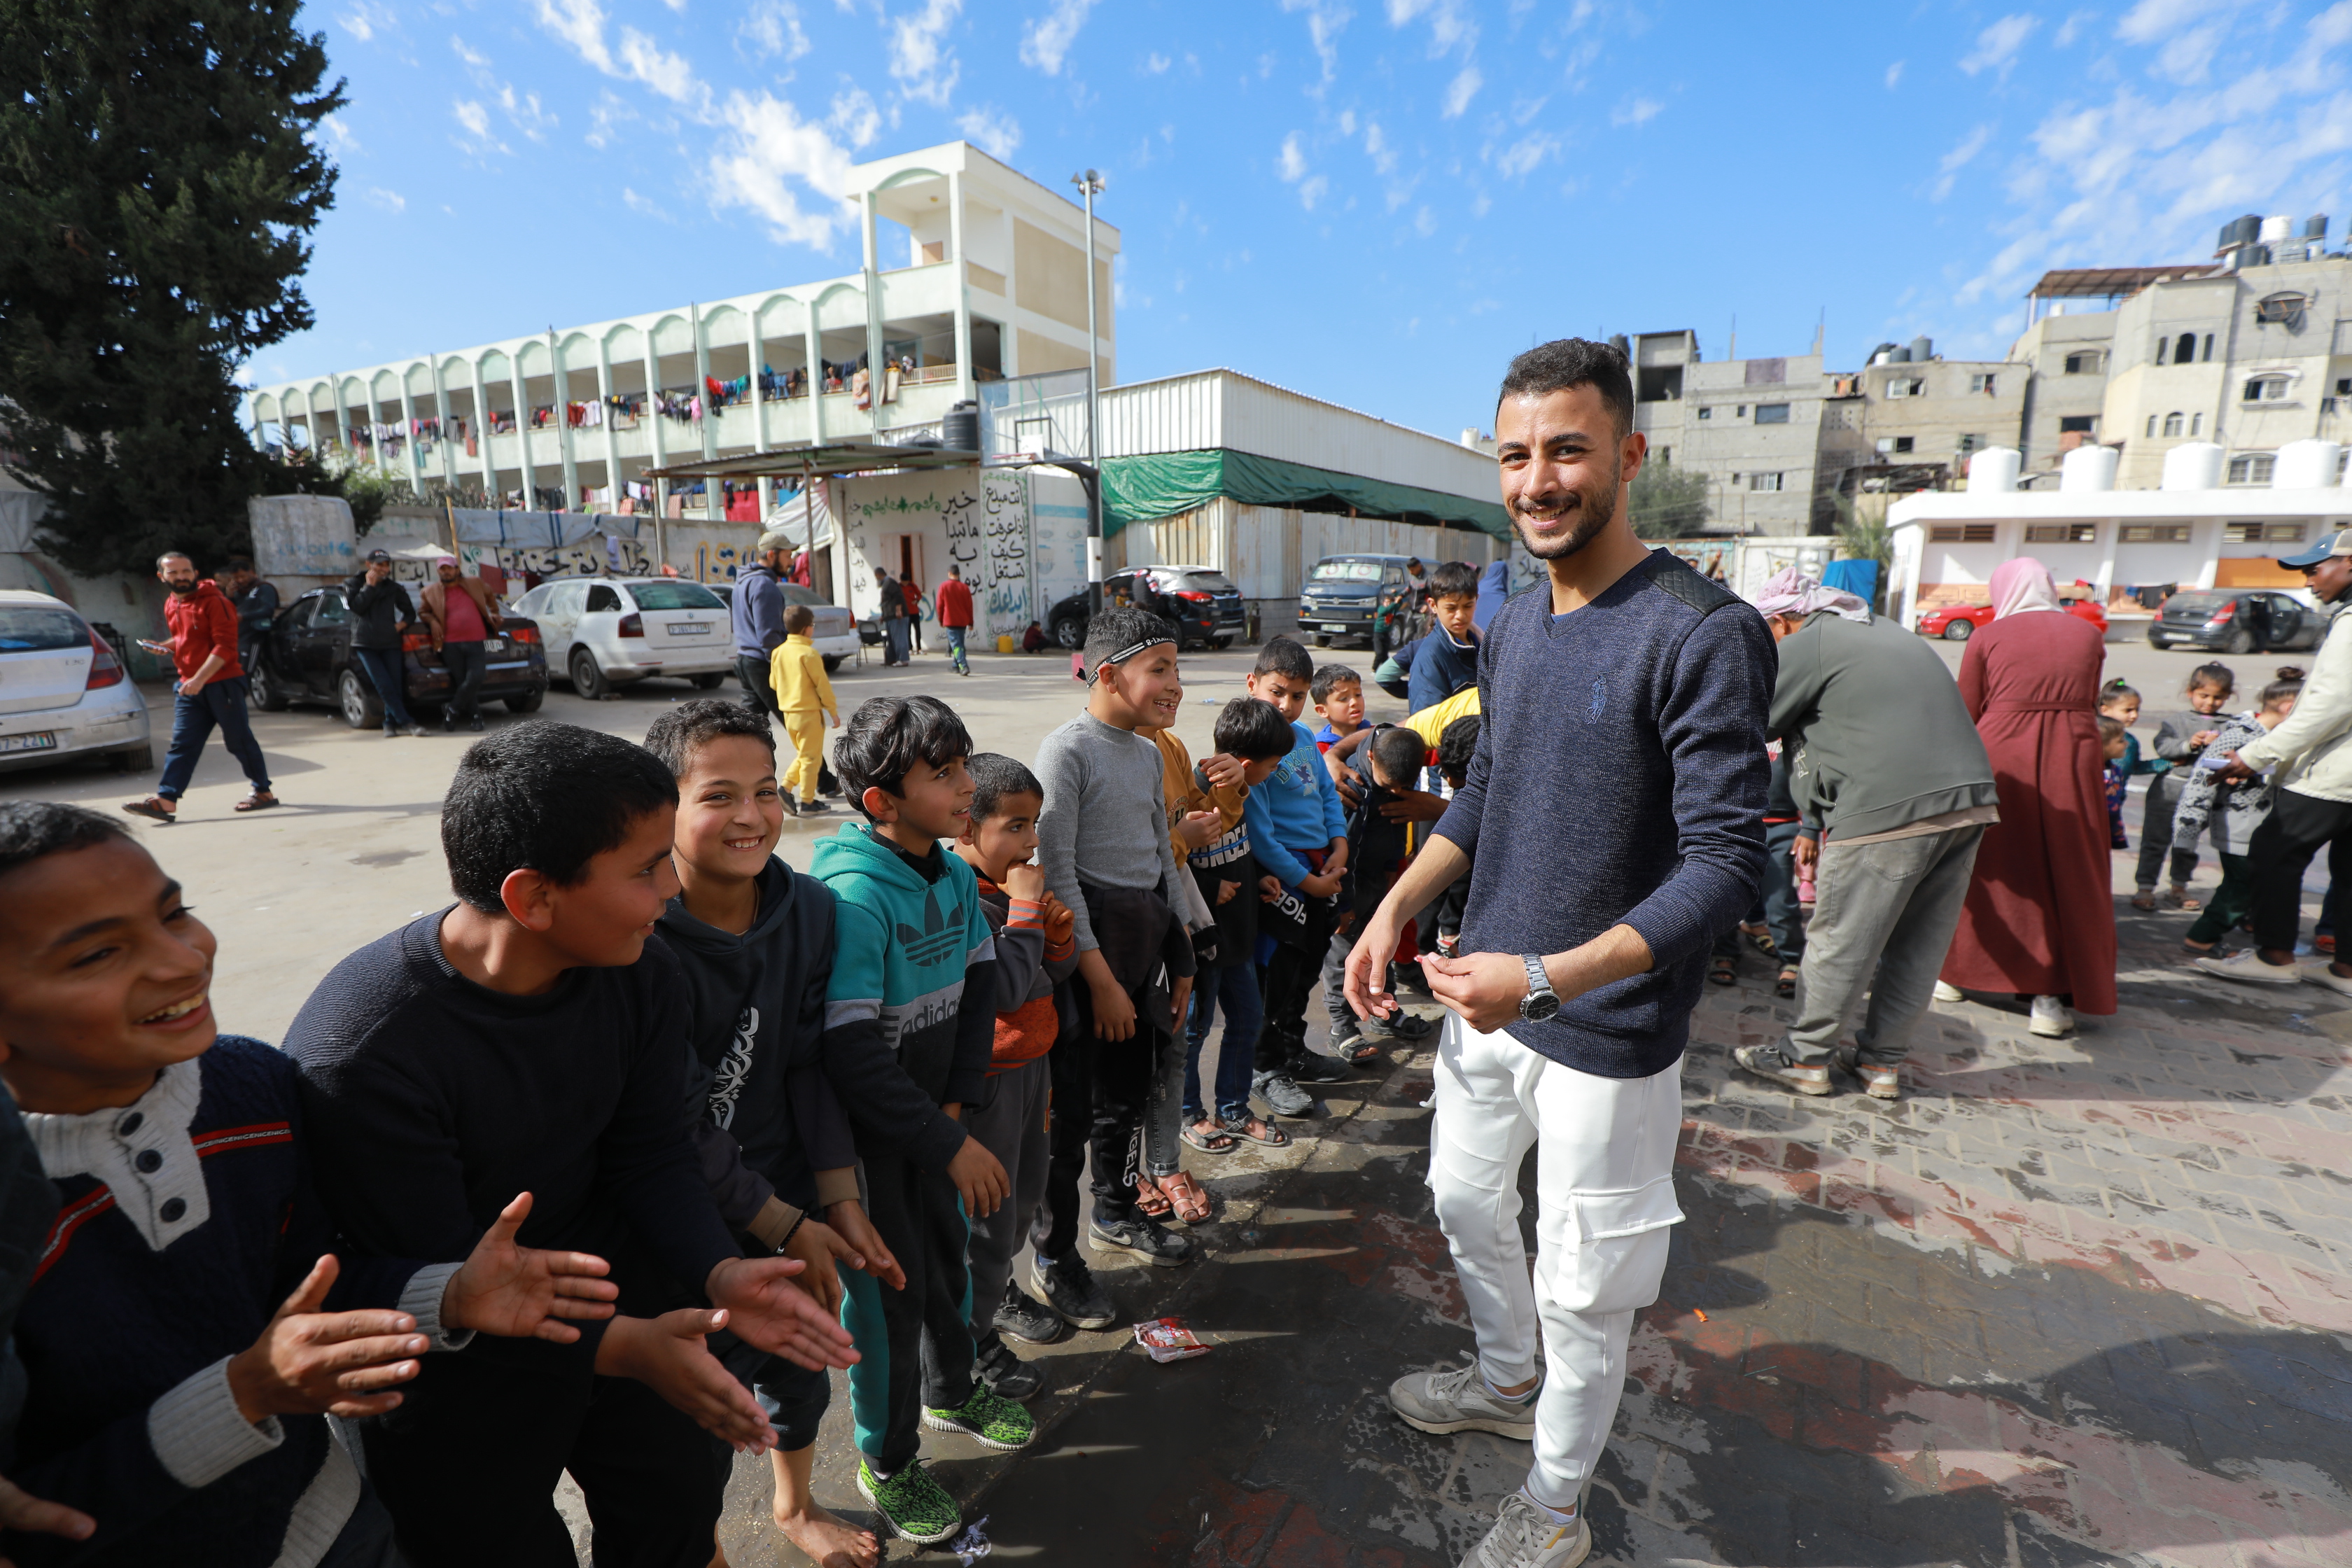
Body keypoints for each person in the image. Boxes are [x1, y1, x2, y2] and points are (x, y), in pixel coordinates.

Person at [1345, 338, 1770, 1568]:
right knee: (1464, 1200)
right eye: (1518, 455)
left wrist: (1545, 978)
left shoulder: (1703, 631)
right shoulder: (1515, 623)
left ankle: (1555, 1504)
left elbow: (1726, 867)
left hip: (1608, 1032)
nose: (1539, 480)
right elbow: (1486, 793)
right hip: (1488, 1006)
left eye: (1569, 450)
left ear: (1629, 456)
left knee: (1590, 1285)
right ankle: (1499, 1375)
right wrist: (1393, 908)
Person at [284, 722, 859, 1566]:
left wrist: (715, 1267)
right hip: (458, 1365)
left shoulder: (639, 969)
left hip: (624, 1305)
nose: (671, 889)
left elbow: (651, 1150)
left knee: (671, 1514)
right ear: (533, 897)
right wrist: (620, 1342)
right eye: (644, 868)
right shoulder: (364, 1050)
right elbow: (432, 1275)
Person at [0, 802, 625, 1567]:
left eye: (175, 913)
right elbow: (35, 1512)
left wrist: (447, 1293)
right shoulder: (15, 1208)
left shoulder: (249, 1084)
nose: (181, 960)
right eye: (97, 953)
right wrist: (244, 1394)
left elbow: (307, 1285)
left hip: (332, 1523)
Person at [642, 701, 897, 1568]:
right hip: (686, 1213)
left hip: (788, 1186)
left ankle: (793, 1502)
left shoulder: (811, 909)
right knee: (698, 1404)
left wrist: (836, 1196)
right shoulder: (639, 937)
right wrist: (780, 1220)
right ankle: (702, 1537)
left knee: (799, 1361)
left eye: (766, 789)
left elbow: (806, 1061)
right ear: (661, 809)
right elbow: (670, 1122)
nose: (751, 816)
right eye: (718, 795)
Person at [813, 696, 1030, 1545]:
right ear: (880, 802)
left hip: (934, 1129)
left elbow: (980, 988)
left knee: (948, 1268)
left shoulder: (945, 869)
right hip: (871, 1155)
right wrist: (945, 1137)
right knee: (886, 1308)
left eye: (963, 766)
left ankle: (954, 1389)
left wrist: (953, 1109)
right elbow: (852, 1055)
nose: (967, 786)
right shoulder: (856, 895)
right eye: (942, 775)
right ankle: (889, 1459)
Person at [1730, 566, 1997, 1102]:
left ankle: (1804, 1057)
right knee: (1919, 945)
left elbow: (1752, 722)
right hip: (1970, 802)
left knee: (1840, 939)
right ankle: (1882, 1063)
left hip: (1886, 806)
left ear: (1783, 622)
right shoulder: (1884, 628)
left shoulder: (1814, 640)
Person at [1030, 608, 1200, 1290]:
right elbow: (1059, 870)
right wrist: (1098, 978)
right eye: (1159, 668)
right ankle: (1054, 1255)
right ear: (1107, 674)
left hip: (1144, 949)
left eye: (1177, 669)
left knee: (1126, 1097)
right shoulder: (1067, 751)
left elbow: (1161, 854)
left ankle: (1117, 1209)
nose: (1176, 685)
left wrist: (1182, 946)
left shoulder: (1146, 749)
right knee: (1069, 1116)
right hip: (1086, 964)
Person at [947, 755, 1081, 1403]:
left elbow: (1043, 978)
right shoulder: (969, 896)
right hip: (992, 1081)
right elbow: (1001, 990)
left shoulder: (1014, 892)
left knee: (1026, 1198)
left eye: (1036, 826)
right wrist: (1029, 915)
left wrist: (1055, 937)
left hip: (1034, 1067)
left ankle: (995, 1295)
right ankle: (970, 1348)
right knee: (989, 1220)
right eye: (1016, 827)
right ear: (967, 829)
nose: (1032, 842)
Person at [1937, 557, 2118, 1038]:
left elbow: (1966, 709)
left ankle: (1957, 974)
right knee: (2066, 870)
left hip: (2002, 756)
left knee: (1990, 866)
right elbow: (2091, 699)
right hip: (2073, 757)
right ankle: (2050, 999)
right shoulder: (2088, 636)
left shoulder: (1988, 636)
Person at [2201, 531, 2352, 990]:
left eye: (2315, 568)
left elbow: (2330, 706)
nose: (2309, 580)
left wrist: (2255, 754)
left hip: (2333, 773)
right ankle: (2347, 967)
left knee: (2275, 852)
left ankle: (2274, 956)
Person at [1240, 637, 1353, 1119]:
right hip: (1282, 882)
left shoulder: (1304, 739)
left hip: (1320, 870)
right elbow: (1261, 837)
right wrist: (1307, 884)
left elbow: (1327, 797)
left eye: (1298, 695)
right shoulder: (1246, 748)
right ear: (1253, 684)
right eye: (1277, 692)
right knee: (1275, 978)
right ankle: (1265, 1069)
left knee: (1305, 971)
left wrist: (1340, 844)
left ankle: (1292, 1050)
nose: (1287, 706)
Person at [1182, 698, 1295, 1156]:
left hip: (1239, 939)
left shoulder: (1239, 790)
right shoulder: (1192, 790)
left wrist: (1255, 877)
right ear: (1245, 765)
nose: (1272, 775)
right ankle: (1189, 1112)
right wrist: (1210, 888)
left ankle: (1232, 1107)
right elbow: (1174, 859)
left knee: (1247, 1018)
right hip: (1205, 943)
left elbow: (1236, 846)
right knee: (1194, 1031)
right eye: (1271, 767)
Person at [1322, 726, 1448, 1065]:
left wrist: (1394, 868)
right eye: (1390, 784)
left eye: (1403, 787)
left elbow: (1397, 828)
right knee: (1345, 958)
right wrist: (1344, 906)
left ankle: (1385, 1011)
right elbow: (1342, 854)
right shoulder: (1351, 789)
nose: (1397, 792)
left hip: (1381, 883)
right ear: (1372, 758)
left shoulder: (1395, 772)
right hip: (1347, 890)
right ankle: (1342, 1027)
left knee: (1383, 950)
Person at [122, 552, 277, 825]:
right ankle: (166, 800)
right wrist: (166, 646)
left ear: (195, 573)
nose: (181, 577)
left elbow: (225, 648)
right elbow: (186, 637)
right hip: (189, 686)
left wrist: (199, 679)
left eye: (186, 571)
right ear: (162, 577)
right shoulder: (172, 603)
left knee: (238, 741)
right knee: (183, 744)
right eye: (173, 573)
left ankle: (263, 791)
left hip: (223, 683)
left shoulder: (217, 603)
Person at [2176, 668, 2304, 955]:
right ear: (2290, 708)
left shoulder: (2274, 737)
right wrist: (2187, 830)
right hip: (2238, 826)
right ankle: (2203, 936)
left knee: (2248, 881)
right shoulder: (2239, 736)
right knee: (2241, 884)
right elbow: (2201, 781)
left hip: (2259, 827)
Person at [2136, 662, 2238, 911]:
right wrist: (2189, 744)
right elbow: (2164, 748)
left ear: (2227, 697)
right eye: (2204, 696)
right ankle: (2145, 888)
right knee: (2155, 840)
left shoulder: (2231, 725)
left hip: (2205, 793)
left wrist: (2224, 749)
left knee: (2187, 842)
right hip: (2170, 789)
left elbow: (2238, 755)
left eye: (2218, 697)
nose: (2210, 703)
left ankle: (2178, 887)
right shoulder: (2176, 721)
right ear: (2190, 692)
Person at [341, 550, 426, 738]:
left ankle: (389, 723)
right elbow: (357, 607)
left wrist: (398, 627)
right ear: (369, 565)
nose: (383, 568)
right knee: (383, 684)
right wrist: (369, 587)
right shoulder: (353, 583)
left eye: (386, 565)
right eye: (379, 564)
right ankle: (408, 722)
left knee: (395, 684)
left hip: (390, 643)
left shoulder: (393, 588)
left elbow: (410, 613)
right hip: (365, 643)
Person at [420, 554, 505, 734]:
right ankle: (476, 717)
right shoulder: (430, 592)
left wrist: (495, 612)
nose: (446, 571)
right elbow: (423, 612)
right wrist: (433, 622)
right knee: (462, 682)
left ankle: (452, 709)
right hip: (450, 644)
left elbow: (491, 595)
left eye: (450, 568)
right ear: (438, 572)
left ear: (457, 569)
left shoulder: (474, 583)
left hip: (475, 640)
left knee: (476, 677)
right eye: (442, 569)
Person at [769, 605, 839, 818]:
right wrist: (832, 711)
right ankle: (806, 801)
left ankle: (787, 787)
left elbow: (773, 683)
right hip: (808, 713)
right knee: (811, 758)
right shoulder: (809, 654)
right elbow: (822, 686)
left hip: (788, 714)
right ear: (807, 629)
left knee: (805, 755)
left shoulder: (778, 652)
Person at [731, 531, 794, 721]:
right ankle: (813, 753)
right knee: (797, 722)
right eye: (788, 556)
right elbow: (768, 636)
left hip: (745, 659)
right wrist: (783, 668)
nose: (791, 562)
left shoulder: (743, 581)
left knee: (751, 729)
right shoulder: (764, 585)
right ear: (772, 555)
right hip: (763, 664)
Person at [1407, 560, 1483, 717]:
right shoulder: (1430, 657)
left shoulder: (1486, 647)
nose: (1460, 616)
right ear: (1433, 605)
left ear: (1477, 600)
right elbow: (1427, 723)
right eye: (1451, 608)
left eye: (1468, 606)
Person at [219, 558, 279, 678]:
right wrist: (229, 596)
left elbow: (267, 610)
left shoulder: (264, 588)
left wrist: (244, 616)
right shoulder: (237, 591)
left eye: (243, 576)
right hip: (239, 637)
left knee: (246, 673)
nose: (241, 580)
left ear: (251, 572)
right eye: (237, 578)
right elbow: (227, 612)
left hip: (255, 637)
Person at [1310, 665, 1371, 751]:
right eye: (1343, 699)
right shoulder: (1318, 749)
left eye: (1358, 695)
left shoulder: (1377, 736)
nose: (1354, 702)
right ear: (1322, 711)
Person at [935, 566, 975, 677]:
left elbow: (940, 605)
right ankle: (955, 666)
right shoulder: (965, 587)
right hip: (962, 621)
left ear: (949, 573)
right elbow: (969, 607)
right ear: (959, 573)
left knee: (956, 645)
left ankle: (963, 666)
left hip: (950, 620)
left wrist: (940, 619)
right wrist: (971, 622)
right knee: (960, 644)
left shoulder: (944, 586)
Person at [874, 568, 910, 667]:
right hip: (890, 617)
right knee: (892, 640)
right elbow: (887, 602)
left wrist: (898, 611)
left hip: (897, 616)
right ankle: (892, 659)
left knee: (899, 639)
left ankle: (903, 660)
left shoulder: (890, 583)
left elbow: (897, 597)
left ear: (878, 575)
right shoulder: (886, 584)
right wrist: (883, 616)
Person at [902, 575, 926, 654]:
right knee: (908, 631)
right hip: (905, 612)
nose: (905, 583)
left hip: (915, 611)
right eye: (903, 582)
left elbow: (919, 595)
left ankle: (919, 648)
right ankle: (910, 649)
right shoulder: (899, 587)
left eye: (906, 582)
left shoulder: (913, 585)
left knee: (918, 630)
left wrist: (916, 600)